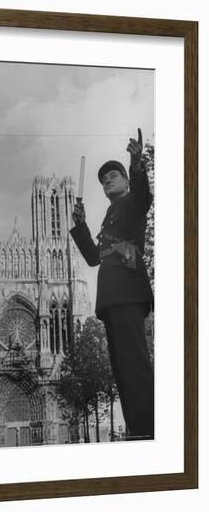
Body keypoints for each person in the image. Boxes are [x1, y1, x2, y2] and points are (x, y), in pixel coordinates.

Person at [70, 128, 154, 440]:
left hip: (128, 293)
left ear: (126, 181)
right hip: (111, 298)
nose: (107, 181)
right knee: (122, 371)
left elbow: (145, 195)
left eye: (113, 177)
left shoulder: (133, 202)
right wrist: (81, 225)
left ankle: (148, 429)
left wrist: (136, 163)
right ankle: (138, 429)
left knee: (135, 364)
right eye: (104, 180)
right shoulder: (108, 215)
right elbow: (94, 258)